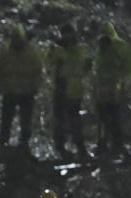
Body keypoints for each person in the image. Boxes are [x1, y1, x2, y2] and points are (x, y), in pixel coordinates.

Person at [0, 26, 44, 151]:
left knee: (25, 118)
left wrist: (36, 86)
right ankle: (4, 138)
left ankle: (24, 139)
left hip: (26, 90)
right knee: (7, 117)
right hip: (10, 89)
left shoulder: (31, 51)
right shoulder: (6, 50)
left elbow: (38, 70)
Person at [48, 24, 89, 159]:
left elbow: (83, 67)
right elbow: (48, 64)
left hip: (74, 90)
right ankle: (60, 148)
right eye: (64, 33)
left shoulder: (79, 49)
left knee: (75, 120)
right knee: (59, 120)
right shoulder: (56, 49)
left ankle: (80, 147)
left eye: (69, 33)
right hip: (60, 89)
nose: (67, 36)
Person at [93, 22, 131, 157]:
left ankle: (115, 145)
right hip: (105, 90)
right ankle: (106, 145)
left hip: (112, 90)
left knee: (112, 119)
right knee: (105, 119)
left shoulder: (113, 51)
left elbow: (123, 69)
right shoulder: (102, 52)